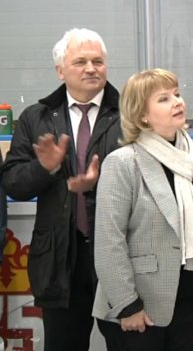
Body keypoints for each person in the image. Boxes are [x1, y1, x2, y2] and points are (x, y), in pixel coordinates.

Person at [92, 68, 193, 351]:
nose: (177, 102)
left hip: (189, 299)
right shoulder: (123, 162)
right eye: (164, 99)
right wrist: (127, 304)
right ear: (142, 114)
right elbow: (109, 241)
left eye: (177, 94)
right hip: (138, 307)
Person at [0, 28, 121, 351]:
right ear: (60, 70)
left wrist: (101, 184)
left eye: (98, 61)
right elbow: (13, 183)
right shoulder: (35, 118)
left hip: (119, 255)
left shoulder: (130, 114)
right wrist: (45, 168)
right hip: (59, 258)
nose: (91, 68)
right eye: (80, 62)